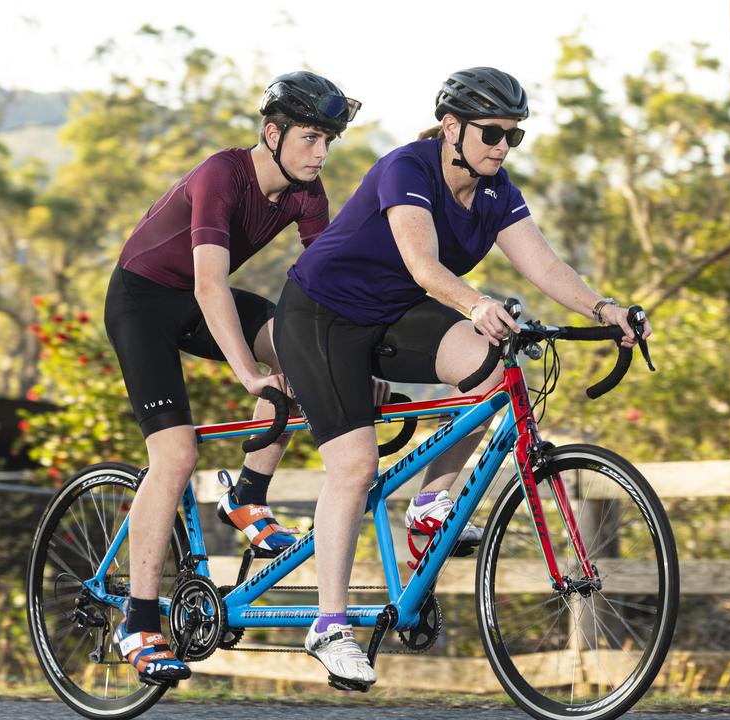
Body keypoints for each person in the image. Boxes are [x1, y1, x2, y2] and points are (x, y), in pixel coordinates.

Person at [272, 67, 652, 689]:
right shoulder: (408, 168)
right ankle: (329, 626)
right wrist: (476, 303)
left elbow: (544, 265)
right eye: (492, 132)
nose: (502, 146)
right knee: (355, 466)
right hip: (322, 317)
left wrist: (605, 310)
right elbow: (422, 265)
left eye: (513, 136)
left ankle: (429, 501)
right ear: (451, 126)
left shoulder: (498, 191)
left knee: (491, 372)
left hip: (391, 316)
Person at [103, 71, 362, 685]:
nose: (320, 153)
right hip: (144, 302)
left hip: (196, 301)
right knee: (176, 453)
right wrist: (249, 374)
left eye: (329, 140)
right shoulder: (224, 173)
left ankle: (246, 496)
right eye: (310, 138)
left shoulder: (307, 192)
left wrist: (354, 365)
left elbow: (327, 294)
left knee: (303, 354)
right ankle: (138, 621)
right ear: (272, 133)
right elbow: (208, 284)